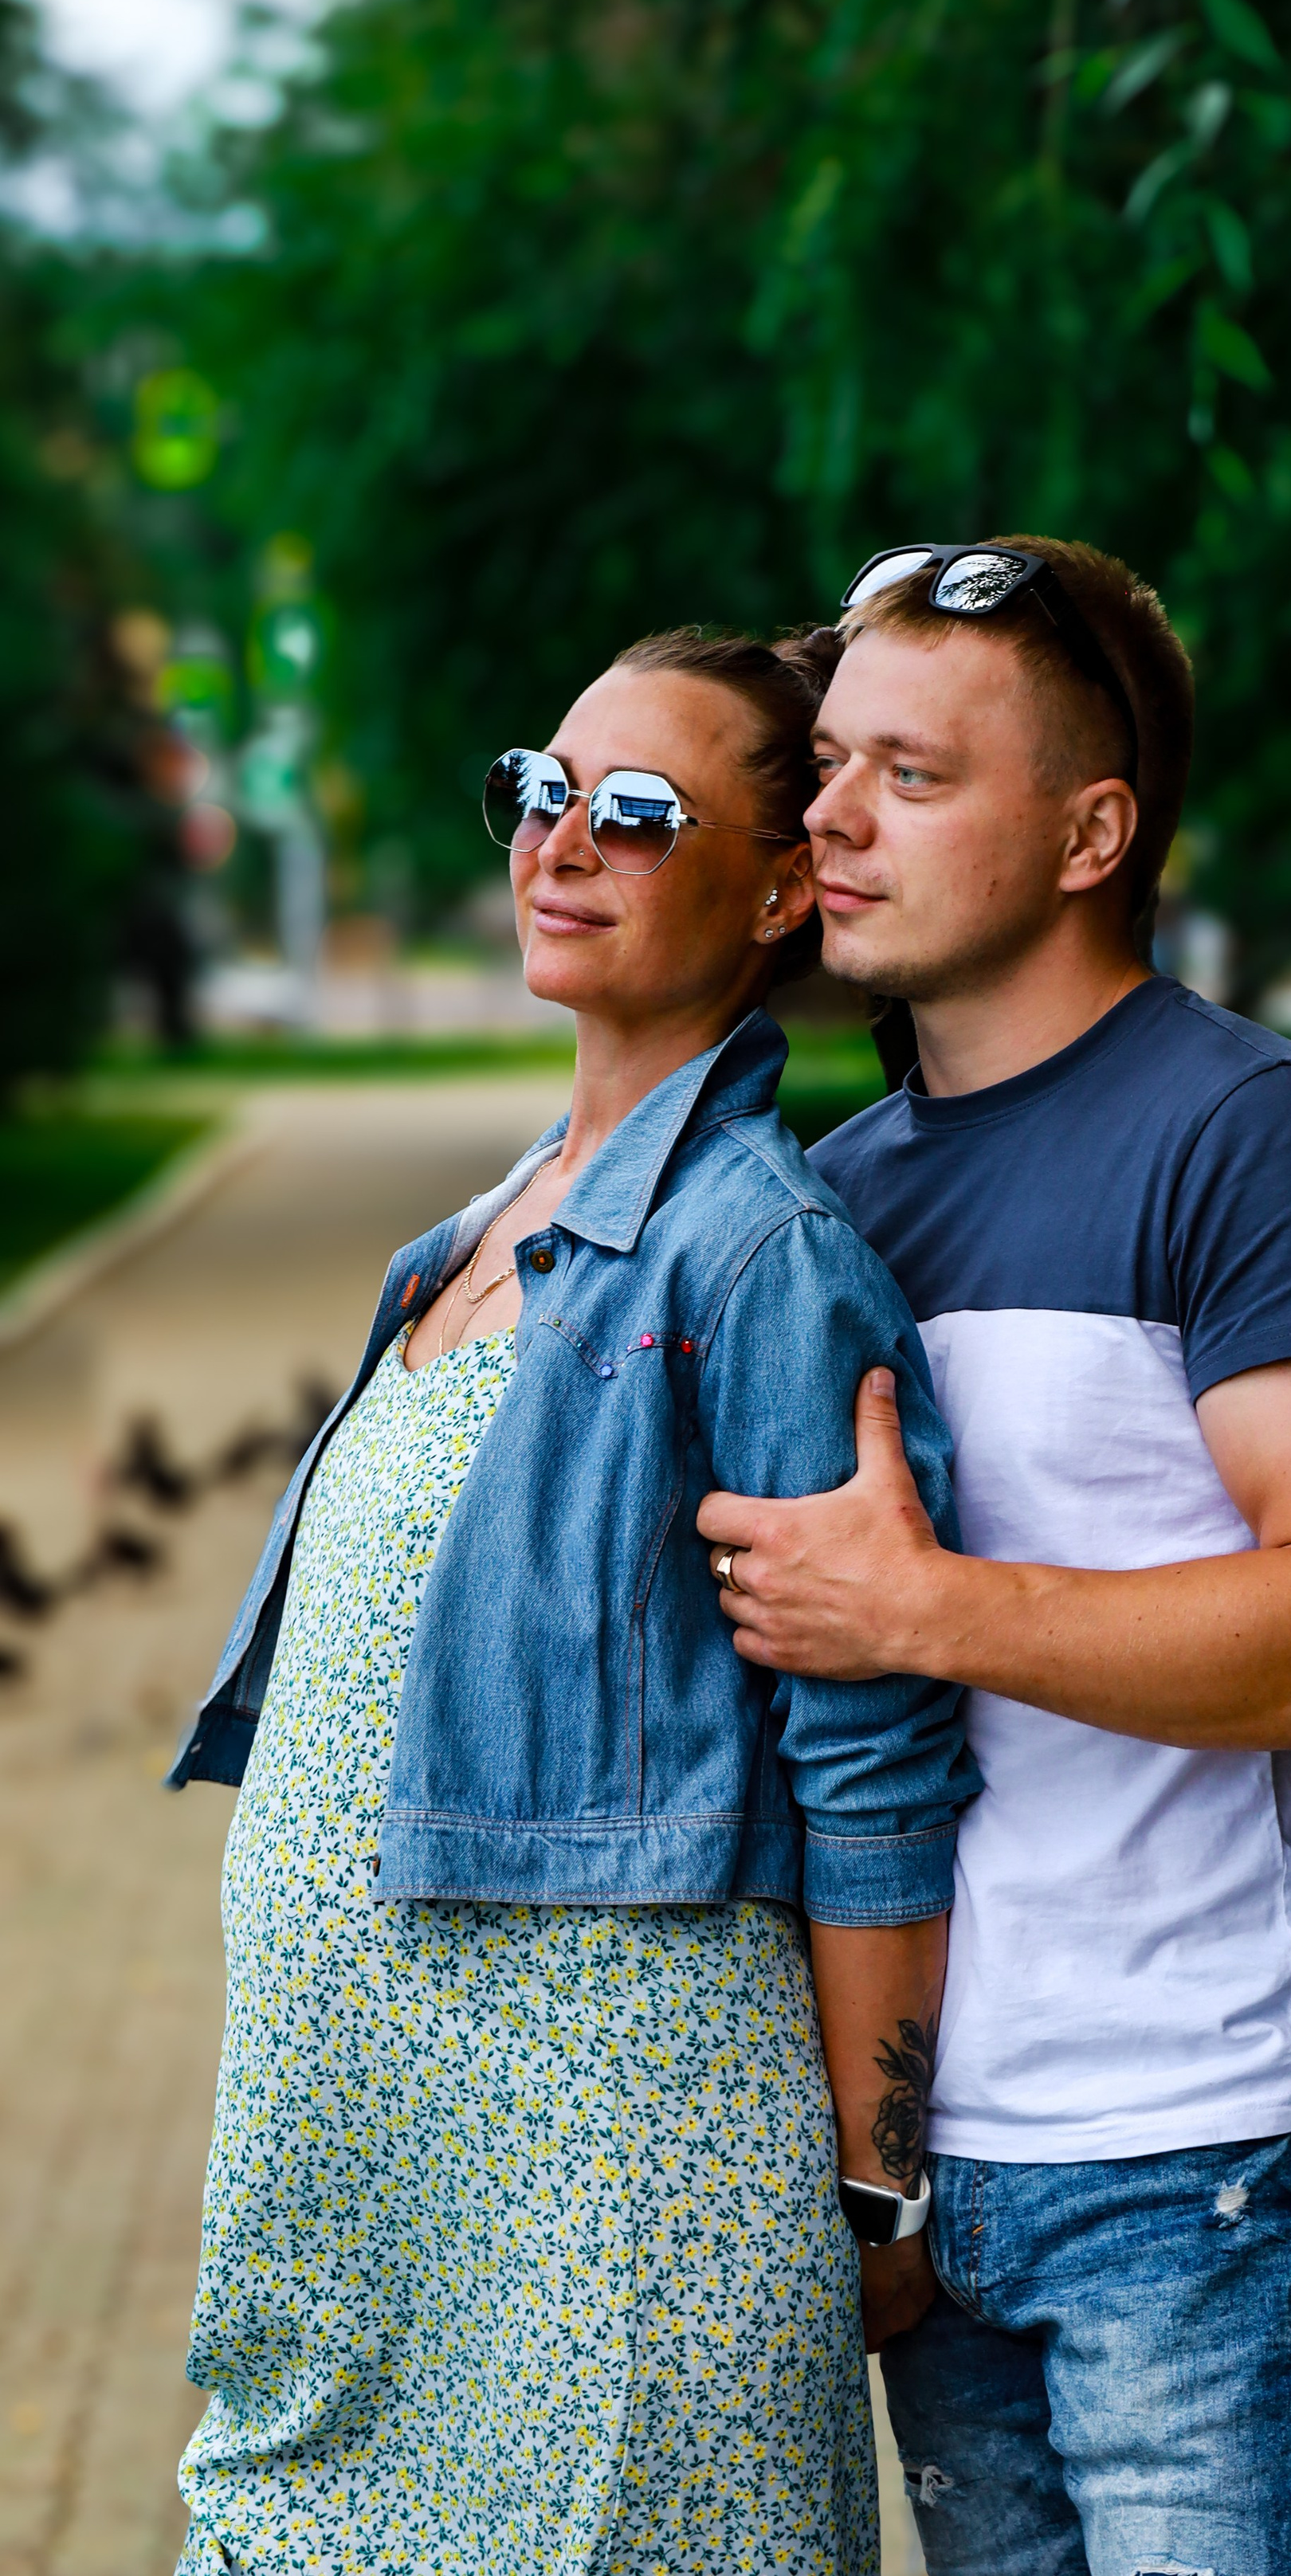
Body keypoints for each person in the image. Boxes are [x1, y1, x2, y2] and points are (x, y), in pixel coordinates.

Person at [166, 626, 979, 2575]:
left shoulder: (761, 1259)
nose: (562, 839)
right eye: (541, 789)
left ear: (777, 889)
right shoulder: (477, 1230)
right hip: (369, 2227)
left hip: (606, 2232)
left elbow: (872, 1758)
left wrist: (879, 2190)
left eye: (636, 810)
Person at [696, 541, 1291, 2576]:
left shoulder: (1255, 1135)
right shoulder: (824, 1195)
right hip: (931, 2159)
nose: (832, 817)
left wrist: (922, 1608)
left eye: (913, 775)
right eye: (829, 763)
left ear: (1090, 833)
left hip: (1193, 2147)